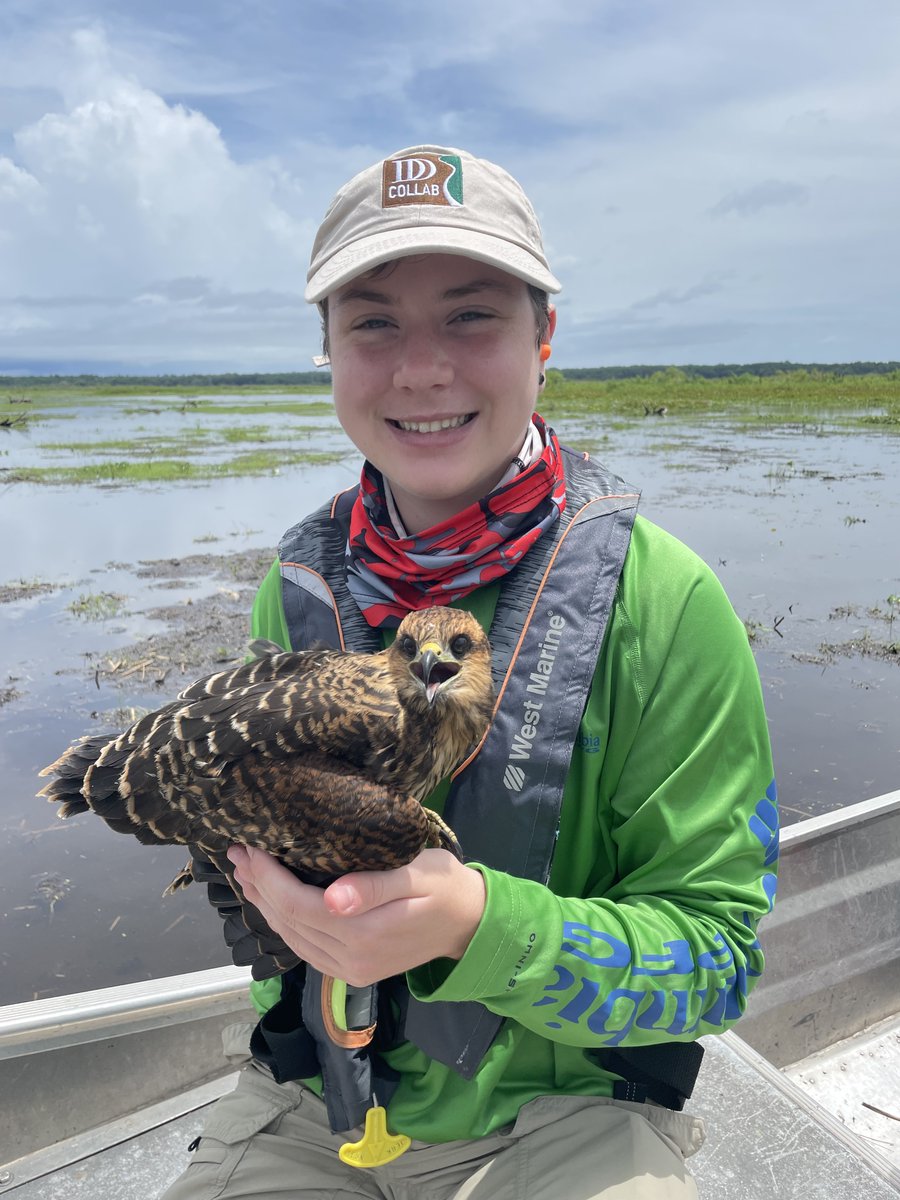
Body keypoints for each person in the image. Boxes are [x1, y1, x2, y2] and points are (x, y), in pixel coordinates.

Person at [161, 145, 777, 1200]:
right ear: (328, 351)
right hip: (318, 1100)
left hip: (568, 1115)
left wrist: (480, 926)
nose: (421, 368)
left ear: (544, 338)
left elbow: (715, 965)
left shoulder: (664, 605)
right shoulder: (300, 591)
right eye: (373, 323)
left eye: (471, 315)